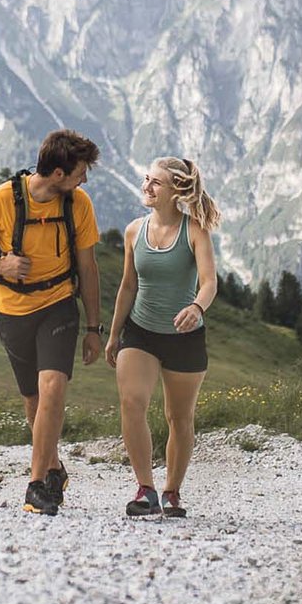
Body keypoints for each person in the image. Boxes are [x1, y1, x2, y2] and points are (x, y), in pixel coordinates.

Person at [0, 129, 105, 515]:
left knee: (52, 387)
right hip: (12, 311)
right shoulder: (1, 199)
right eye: (80, 171)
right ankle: (52, 466)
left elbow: (88, 266)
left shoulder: (78, 204)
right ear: (57, 174)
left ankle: (36, 487)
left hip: (59, 305)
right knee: (33, 402)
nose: (85, 179)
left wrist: (94, 328)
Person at [107, 156, 219, 518]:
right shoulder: (133, 231)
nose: (146, 187)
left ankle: (172, 491)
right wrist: (113, 335)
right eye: (146, 179)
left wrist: (197, 309)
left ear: (175, 192)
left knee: (179, 418)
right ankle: (146, 489)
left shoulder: (194, 231)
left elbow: (209, 283)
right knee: (132, 403)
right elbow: (128, 286)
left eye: (155, 182)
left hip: (184, 337)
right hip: (139, 331)